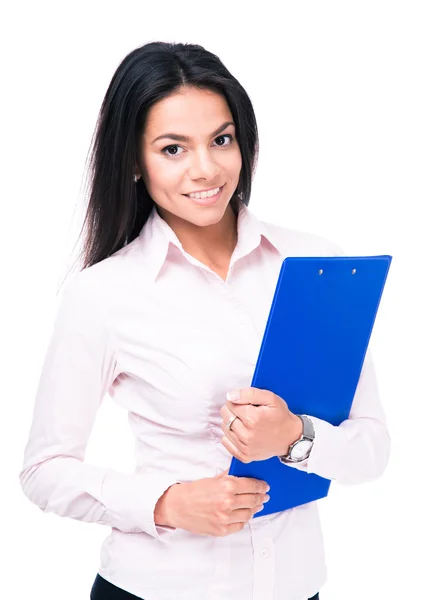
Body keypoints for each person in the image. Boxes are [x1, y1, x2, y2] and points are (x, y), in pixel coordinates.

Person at [19, 41, 390, 600]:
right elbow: (43, 470)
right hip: (157, 587)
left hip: (295, 586)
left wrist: (296, 437)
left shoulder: (318, 266)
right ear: (135, 162)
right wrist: (166, 502)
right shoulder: (104, 294)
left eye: (222, 139)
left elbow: (372, 449)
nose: (206, 169)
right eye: (173, 149)